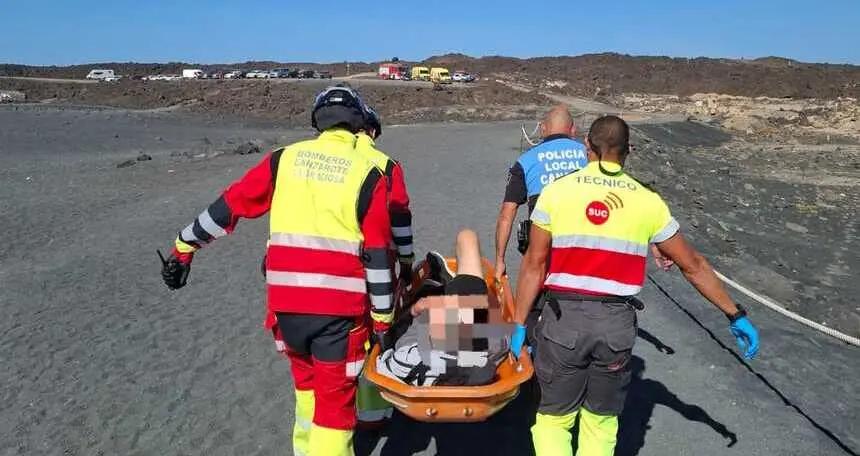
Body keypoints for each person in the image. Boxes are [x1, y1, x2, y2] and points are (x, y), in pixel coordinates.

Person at [159, 85, 394, 456]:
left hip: (286, 308)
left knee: (307, 393)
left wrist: (183, 246)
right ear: (359, 123)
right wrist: (383, 321)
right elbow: (378, 254)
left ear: (317, 122)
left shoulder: (283, 160)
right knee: (335, 412)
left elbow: (228, 207)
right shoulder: (370, 172)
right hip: (338, 314)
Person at [510, 115, 760, 456]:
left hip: (563, 319)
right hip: (616, 325)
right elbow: (694, 265)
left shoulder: (557, 192)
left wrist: (518, 324)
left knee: (554, 420)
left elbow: (533, 265)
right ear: (629, 151)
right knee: (600, 423)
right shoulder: (648, 200)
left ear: (587, 146)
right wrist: (735, 314)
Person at [494, 105, 588, 345]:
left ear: (543, 129)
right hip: (585, 246)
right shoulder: (588, 154)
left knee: (533, 304)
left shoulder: (526, 161)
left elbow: (508, 213)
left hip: (542, 248)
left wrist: (500, 260)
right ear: (573, 130)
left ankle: (526, 351)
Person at [377, 229, 510, 387]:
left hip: (436, 333)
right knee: (467, 237)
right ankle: (440, 285)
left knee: (467, 238)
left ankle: (438, 284)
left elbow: (391, 342)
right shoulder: (488, 350)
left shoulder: (407, 355)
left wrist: (415, 310)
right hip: (466, 339)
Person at [355, 103, 415, 275]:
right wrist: (406, 262)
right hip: (376, 258)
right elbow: (400, 216)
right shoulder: (388, 166)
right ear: (372, 132)